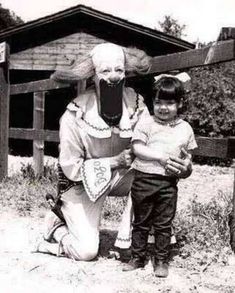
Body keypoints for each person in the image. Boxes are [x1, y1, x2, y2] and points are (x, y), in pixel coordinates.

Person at [36, 43, 193, 261]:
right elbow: (70, 167)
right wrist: (114, 160)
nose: (113, 77)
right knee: (86, 252)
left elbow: (157, 147)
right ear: (94, 74)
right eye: (105, 71)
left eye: (118, 70)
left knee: (150, 177)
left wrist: (184, 168)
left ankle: (129, 238)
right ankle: (57, 227)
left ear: (125, 72)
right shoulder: (75, 114)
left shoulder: (136, 105)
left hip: (123, 176)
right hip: (81, 183)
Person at [123, 75, 197, 277]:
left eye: (169, 103)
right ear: (152, 103)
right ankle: (137, 257)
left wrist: (185, 166)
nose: (163, 108)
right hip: (144, 180)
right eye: (158, 102)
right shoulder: (146, 123)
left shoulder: (185, 128)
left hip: (168, 183)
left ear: (179, 103)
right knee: (140, 221)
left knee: (164, 224)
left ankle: (161, 260)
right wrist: (162, 158)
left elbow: (187, 158)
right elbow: (137, 148)